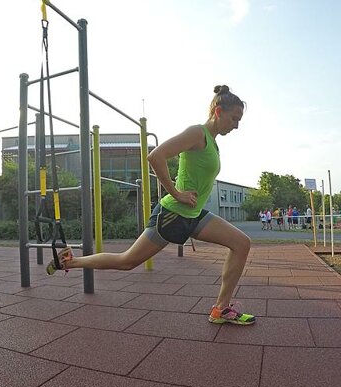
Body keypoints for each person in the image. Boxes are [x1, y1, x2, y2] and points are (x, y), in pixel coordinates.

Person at [47, 85, 254, 325]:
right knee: (127, 261)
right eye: (234, 119)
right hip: (173, 214)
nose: (236, 126)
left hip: (194, 214)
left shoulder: (213, 143)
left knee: (241, 243)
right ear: (218, 112)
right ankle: (70, 262)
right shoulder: (197, 133)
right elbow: (155, 156)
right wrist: (176, 193)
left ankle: (221, 309)